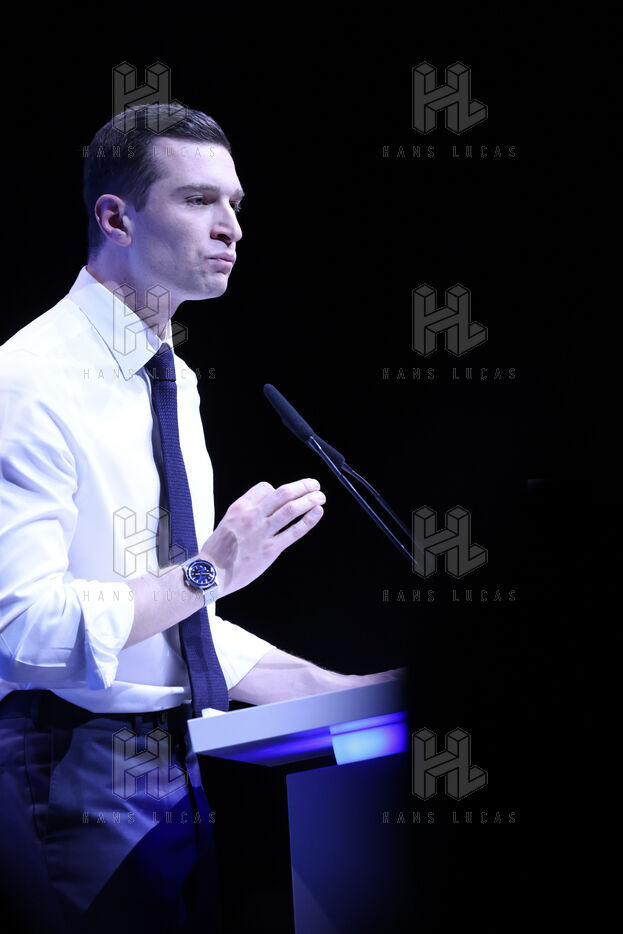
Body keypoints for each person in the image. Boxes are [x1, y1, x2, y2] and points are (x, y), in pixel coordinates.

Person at [0, 104, 402, 933]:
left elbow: (175, 628)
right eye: (197, 200)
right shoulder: (27, 381)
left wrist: (345, 692)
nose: (231, 228)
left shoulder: (171, 378)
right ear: (115, 217)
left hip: (176, 762)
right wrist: (209, 568)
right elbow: (21, 629)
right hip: (67, 766)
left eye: (235, 204)